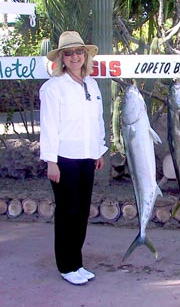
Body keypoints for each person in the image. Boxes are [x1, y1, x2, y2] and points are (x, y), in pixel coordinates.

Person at [39, 31, 108, 285]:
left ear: (85, 55)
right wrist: (51, 161)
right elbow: (48, 126)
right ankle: (66, 266)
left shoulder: (91, 84)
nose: (74, 57)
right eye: (68, 53)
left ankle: (77, 263)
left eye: (79, 52)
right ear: (61, 58)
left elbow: (97, 119)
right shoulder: (53, 88)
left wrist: (99, 149)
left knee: (80, 212)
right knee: (67, 212)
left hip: (87, 157)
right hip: (64, 159)